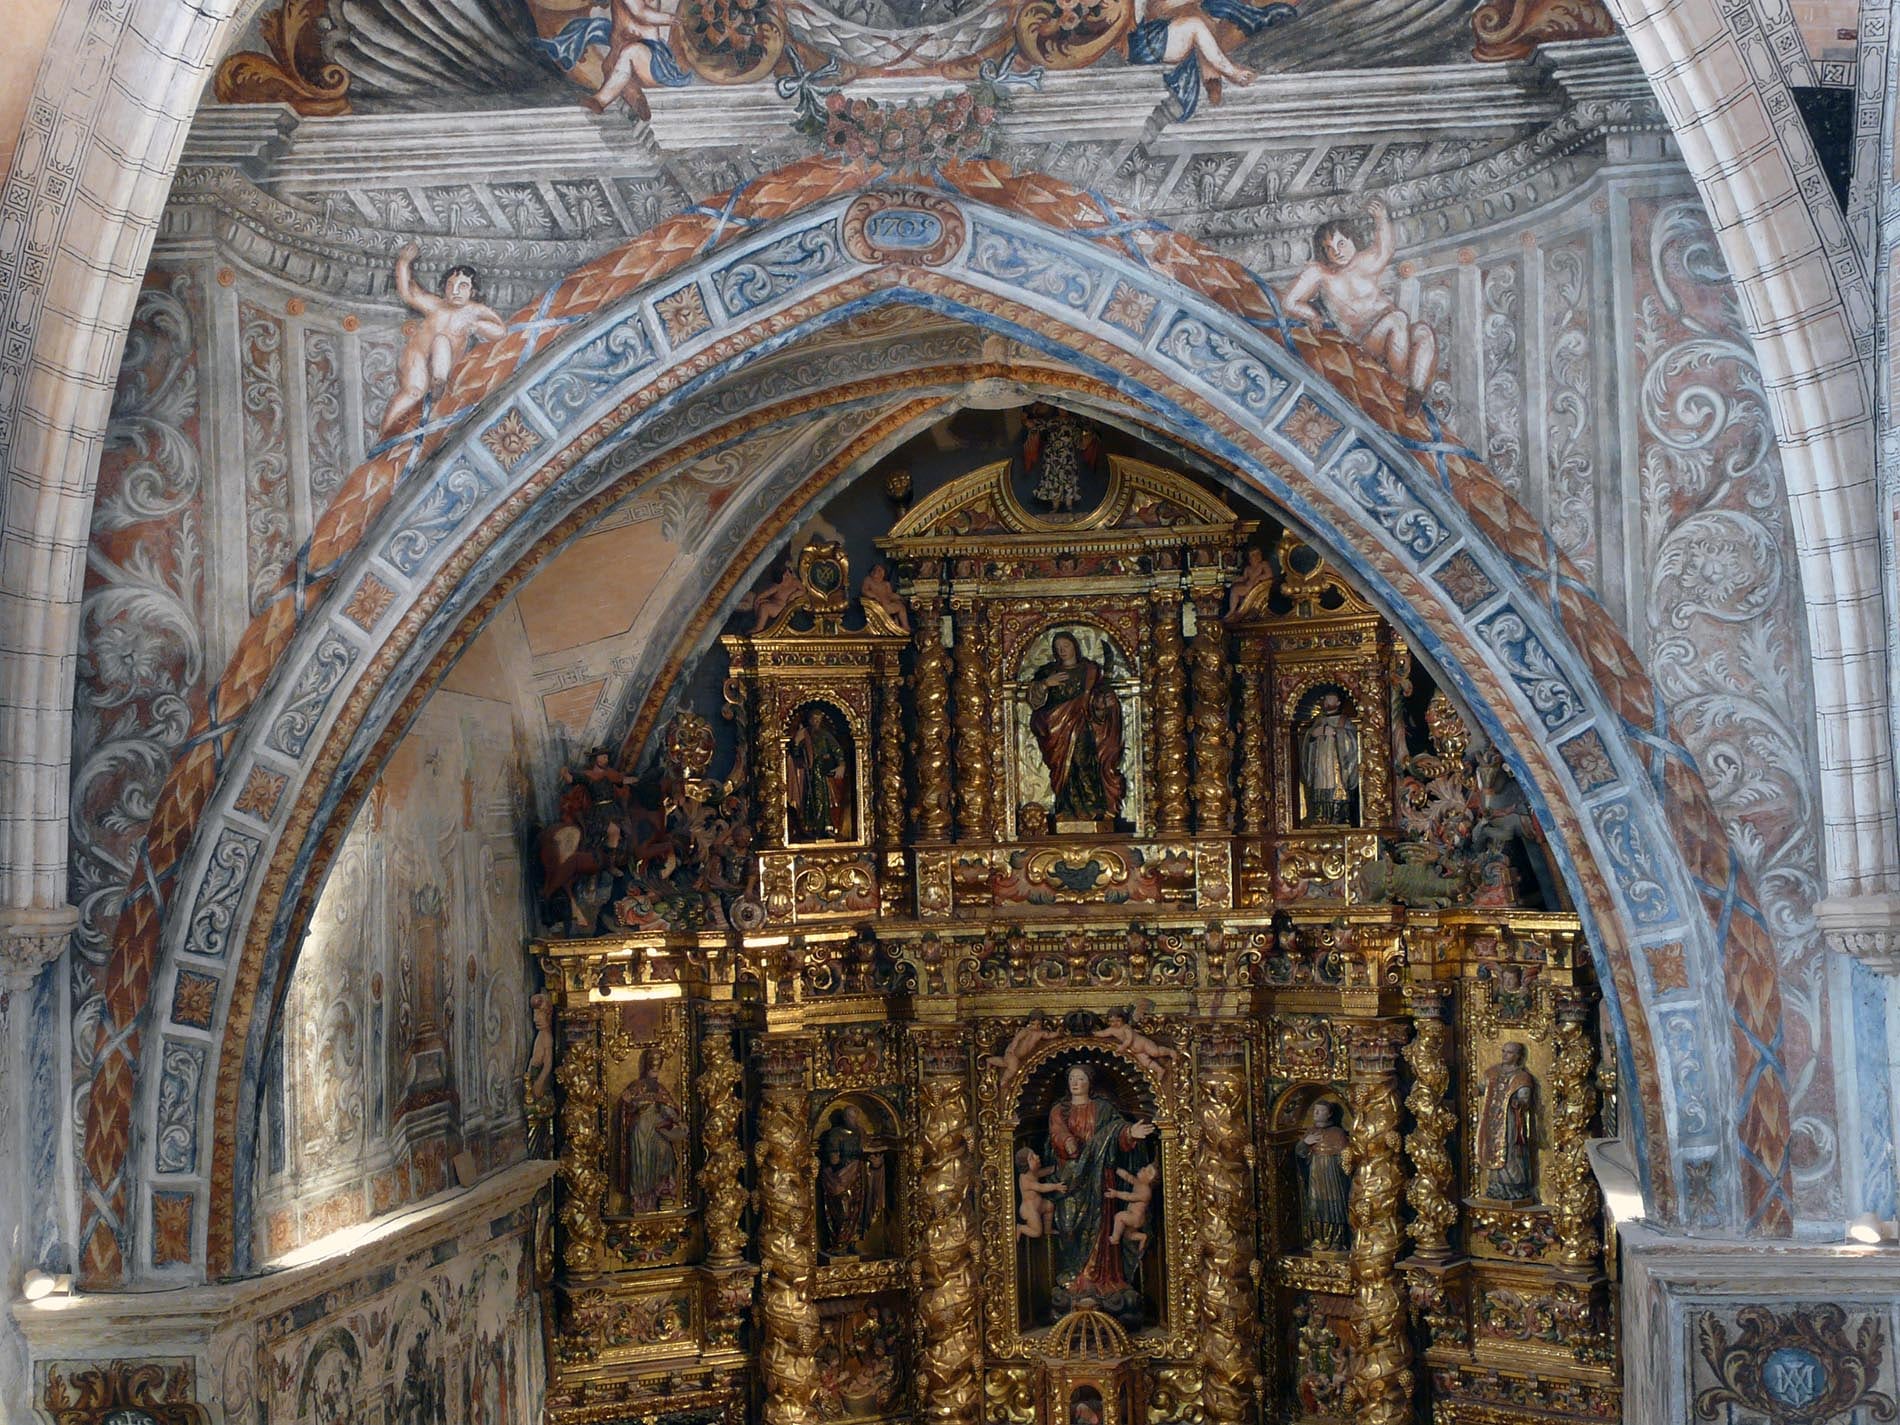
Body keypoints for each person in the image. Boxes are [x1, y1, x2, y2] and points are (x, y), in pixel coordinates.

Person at [1282, 199, 1437, 416]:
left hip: (1394, 340)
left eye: (1341, 244)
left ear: (1352, 240)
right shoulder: (1321, 274)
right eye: (1329, 248)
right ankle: (1399, 380)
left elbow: (1385, 249)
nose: (1336, 252)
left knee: (1423, 332)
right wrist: (1310, 313)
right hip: (1365, 341)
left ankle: (1415, 393)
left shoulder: (1364, 262)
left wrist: (1381, 218)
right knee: (1398, 319)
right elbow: (1289, 301)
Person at [1045, 1064, 1158, 1324]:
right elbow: (1056, 1132)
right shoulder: (1059, 1110)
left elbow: (1117, 1131)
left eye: (1081, 1078)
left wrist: (1130, 1132)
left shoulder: (1104, 1109)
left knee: (1101, 1228)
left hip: (1098, 1179)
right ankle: (1075, 1276)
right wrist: (1067, 1142)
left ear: (1090, 1083)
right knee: (1069, 1227)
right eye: (1072, 1078)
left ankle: (1099, 1280)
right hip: (1071, 1179)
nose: (1075, 1083)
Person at [380, 243, 507, 437]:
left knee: (442, 342)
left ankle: (439, 381)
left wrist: (477, 326)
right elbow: (408, 293)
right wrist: (403, 262)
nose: (455, 291)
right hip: (417, 357)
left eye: (462, 286)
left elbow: (500, 330)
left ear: (472, 291)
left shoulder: (475, 312)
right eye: (450, 285)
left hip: (444, 364)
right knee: (414, 391)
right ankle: (385, 435)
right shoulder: (435, 305)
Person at [1028, 632, 1126, 822]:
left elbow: (1096, 699)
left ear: (1075, 646)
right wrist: (1046, 684)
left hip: (1081, 725)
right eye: (1058, 647)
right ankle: (1066, 808)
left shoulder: (1089, 671)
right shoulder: (1048, 672)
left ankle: (1092, 807)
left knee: (1083, 763)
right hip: (1056, 729)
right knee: (1064, 771)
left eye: (1065, 645)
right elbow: (1034, 701)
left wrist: (1103, 704)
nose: (1062, 650)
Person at [582, 0, 692, 120]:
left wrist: (670, 18)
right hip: (624, 53)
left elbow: (640, 12)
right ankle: (636, 99)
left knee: (631, 52)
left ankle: (601, 99)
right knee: (611, 67)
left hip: (651, 57)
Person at [613, 1049, 686, 1212]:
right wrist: (628, 1103)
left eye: (658, 1063)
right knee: (641, 1165)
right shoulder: (636, 1086)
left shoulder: (661, 1089)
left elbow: (669, 1108)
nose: (655, 1066)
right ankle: (641, 1203)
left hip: (657, 1130)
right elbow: (627, 1108)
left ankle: (664, 1196)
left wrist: (677, 1120)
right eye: (653, 1063)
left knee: (665, 1153)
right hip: (641, 1131)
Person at [1479, 1041, 1537, 1201]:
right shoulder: (1492, 1072)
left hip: (1510, 1120)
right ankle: (1496, 1185)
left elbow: (1525, 1098)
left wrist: (1520, 1102)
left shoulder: (1522, 1077)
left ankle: (1513, 1187)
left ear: (1518, 1056)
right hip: (1492, 1120)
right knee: (1492, 1148)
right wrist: (1477, 1090)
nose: (1505, 1055)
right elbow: (1483, 1087)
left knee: (1509, 1150)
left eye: (1509, 1052)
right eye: (1503, 1051)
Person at [788, 705, 852, 841]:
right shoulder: (804, 734)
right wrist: (797, 742)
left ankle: (826, 826)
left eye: (818, 720)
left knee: (822, 799)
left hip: (823, 772)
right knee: (809, 799)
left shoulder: (825, 735)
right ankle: (810, 826)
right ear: (809, 720)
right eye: (813, 719)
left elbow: (837, 750)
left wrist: (841, 764)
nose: (815, 722)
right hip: (807, 773)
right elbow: (796, 754)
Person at [1295, 1101, 1351, 1251]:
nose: (1316, 1113)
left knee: (1334, 1206)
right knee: (1316, 1206)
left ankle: (1337, 1240)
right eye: (1315, 1110)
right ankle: (1318, 1238)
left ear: (1329, 1114)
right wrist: (1305, 1143)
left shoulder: (1337, 1133)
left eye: (1320, 1110)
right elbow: (1300, 1153)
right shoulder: (1310, 1132)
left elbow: (1346, 1156)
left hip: (1332, 1175)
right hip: (1315, 1174)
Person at [1298, 690, 1360, 826]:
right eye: (1325, 700)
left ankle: (1339, 816)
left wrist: (1337, 733)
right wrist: (1313, 735)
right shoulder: (1319, 721)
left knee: (1337, 788)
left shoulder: (1344, 721)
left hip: (1336, 763)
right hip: (1320, 763)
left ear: (1338, 703)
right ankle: (1321, 816)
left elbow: (1354, 742)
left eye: (1330, 699)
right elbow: (1307, 743)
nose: (1326, 702)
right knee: (1320, 786)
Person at [1016, 1146, 1068, 1238]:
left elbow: (1040, 1173)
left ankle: (1048, 1230)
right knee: (1037, 1232)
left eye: (1034, 1154)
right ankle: (1021, 1228)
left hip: (1039, 1205)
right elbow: (1041, 1187)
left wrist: (1052, 1169)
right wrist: (1056, 1186)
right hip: (1030, 1211)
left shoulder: (1032, 1172)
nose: (1037, 1157)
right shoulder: (1025, 1180)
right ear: (1025, 1165)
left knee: (1050, 1206)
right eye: (1032, 1157)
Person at [1107, 1163, 1158, 1250]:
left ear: (1150, 1180)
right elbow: (1128, 1177)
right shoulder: (1139, 1183)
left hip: (1136, 1217)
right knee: (1128, 1234)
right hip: (1132, 1215)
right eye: (1145, 1167)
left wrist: (1116, 1194)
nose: (1143, 1168)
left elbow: (1129, 1197)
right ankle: (1142, 1237)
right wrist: (1117, 1169)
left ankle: (1115, 1239)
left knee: (1119, 1217)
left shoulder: (1146, 1193)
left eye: (1147, 1171)